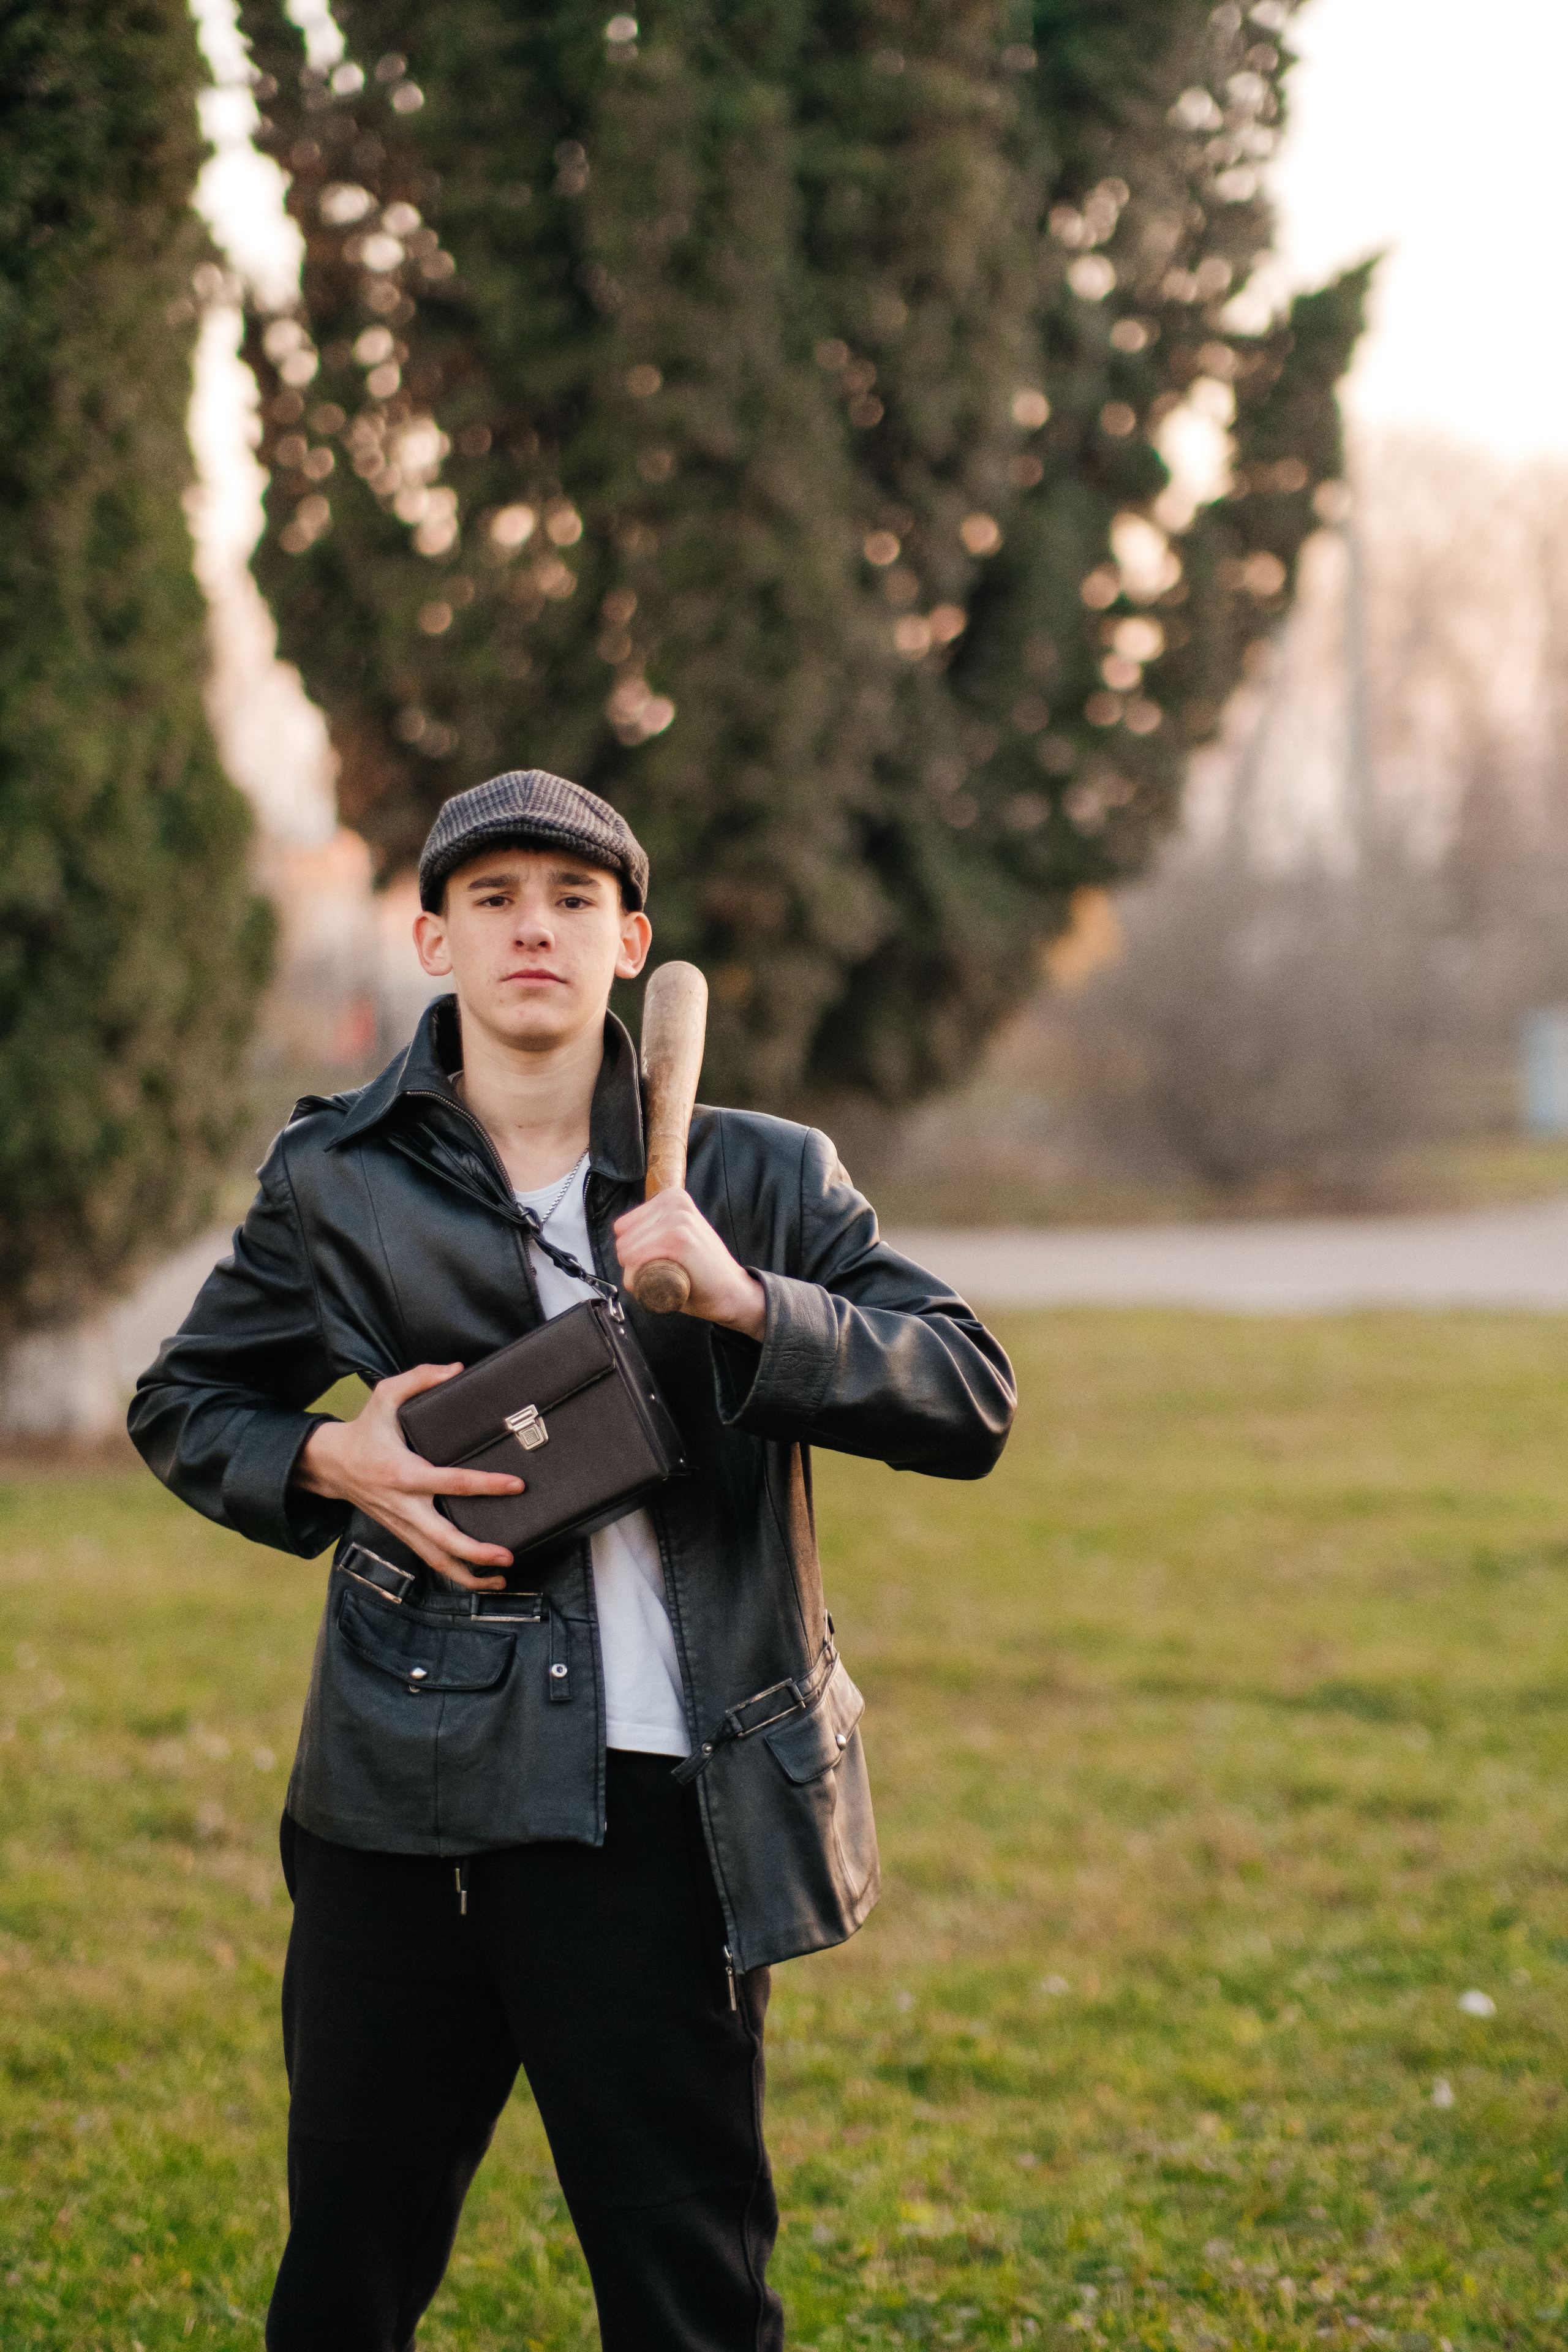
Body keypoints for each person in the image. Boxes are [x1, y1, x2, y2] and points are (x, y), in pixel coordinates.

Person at [130, 768, 1016, 2352]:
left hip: (662, 1818)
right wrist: (336, 1457)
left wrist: (749, 1306)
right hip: (400, 1807)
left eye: (573, 901)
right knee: (345, 2273)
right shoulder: (337, 1179)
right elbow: (186, 1400)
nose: (533, 927)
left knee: (686, 2302)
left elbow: (970, 1394)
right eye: (494, 900)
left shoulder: (755, 1176)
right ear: (432, 940)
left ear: (630, 944)